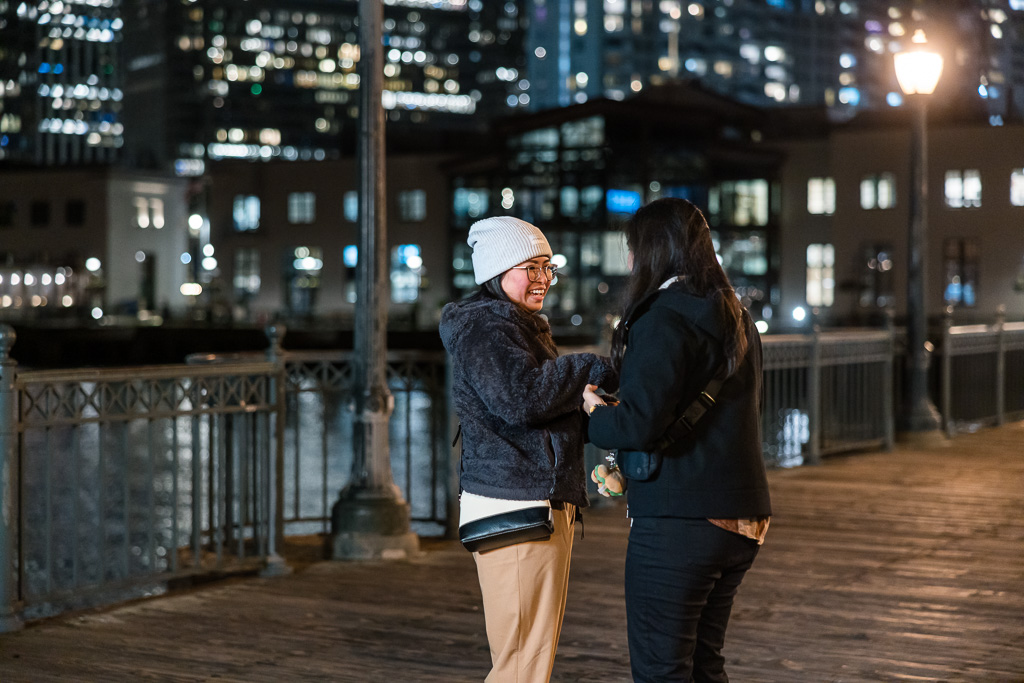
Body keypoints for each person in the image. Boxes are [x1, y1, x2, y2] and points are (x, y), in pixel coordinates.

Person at [583, 197, 771, 682]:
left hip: (679, 521)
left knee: (662, 671)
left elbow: (638, 426)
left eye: (633, 249)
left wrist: (594, 414)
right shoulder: (736, 317)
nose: (629, 262)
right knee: (704, 666)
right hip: (742, 518)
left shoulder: (662, 317)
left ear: (651, 252)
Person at [439, 216, 617, 682]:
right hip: (517, 503)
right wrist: (591, 366)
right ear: (497, 270)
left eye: (547, 267)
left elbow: (535, 404)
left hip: (533, 500)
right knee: (521, 662)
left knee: (528, 657)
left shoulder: (515, 326)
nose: (542, 279)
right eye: (529, 267)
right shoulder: (486, 329)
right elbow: (519, 399)